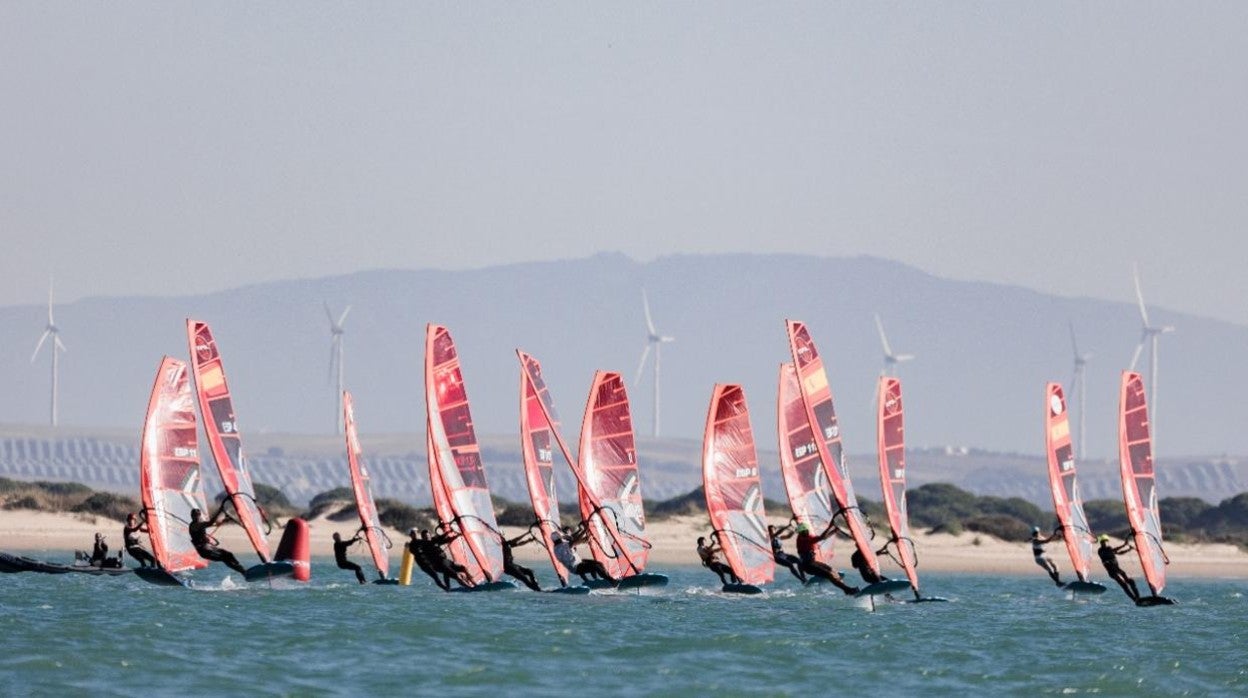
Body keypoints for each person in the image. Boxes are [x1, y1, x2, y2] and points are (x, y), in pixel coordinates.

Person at [794, 522, 859, 595]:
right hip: (808, 566)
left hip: (813, 562)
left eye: (806, 531)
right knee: (829, 574)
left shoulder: (802, 537)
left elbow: (823, 537)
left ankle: (844, 586)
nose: (806, 532)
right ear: (801, 532)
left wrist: (833, 531)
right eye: (804, 532)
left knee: (832, 570)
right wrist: (829, 527)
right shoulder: (805, 539)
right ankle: (847, 590)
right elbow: (822, 537)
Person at [188, 506, 248, 575]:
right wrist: (219, 511)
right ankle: (243, 572)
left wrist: (224, 520)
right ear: (191, 516)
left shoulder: (200, 524)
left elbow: (214, 524)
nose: (196, 517)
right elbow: (210, 523)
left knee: (228, 554)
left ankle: (242, 568)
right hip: (204, 551)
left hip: (210, 547)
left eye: (197, 515)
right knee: (224, 558)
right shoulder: (194, 525)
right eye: (194, 515)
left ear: (199, 515)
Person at [551, 527, 616, 585]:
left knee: (598, 563)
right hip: (576, 567)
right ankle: (612, 581)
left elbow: (574, 540)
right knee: (596, 566)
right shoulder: (563, 546)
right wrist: (585, 530)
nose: (562, 538)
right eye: (561, 537)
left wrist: (584, 535)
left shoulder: (556, 548)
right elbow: (575, 540)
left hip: (577, 563)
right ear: (559, 538)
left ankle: (601, 579)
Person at [1097, 534, 1141, 602]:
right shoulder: (1100, 551)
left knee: (1131, 581)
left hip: (1117, 569)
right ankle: (1134, 599)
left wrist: (1128, 549)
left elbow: (1119, 553)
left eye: (1105, 542)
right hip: (1112, 572)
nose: (1104, 543)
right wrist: (1124, 545)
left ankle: (1138, 597)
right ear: (1101, 543)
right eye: (1103, 542)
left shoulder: (1109, 549)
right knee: (1124, 585)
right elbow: (1113, 550)